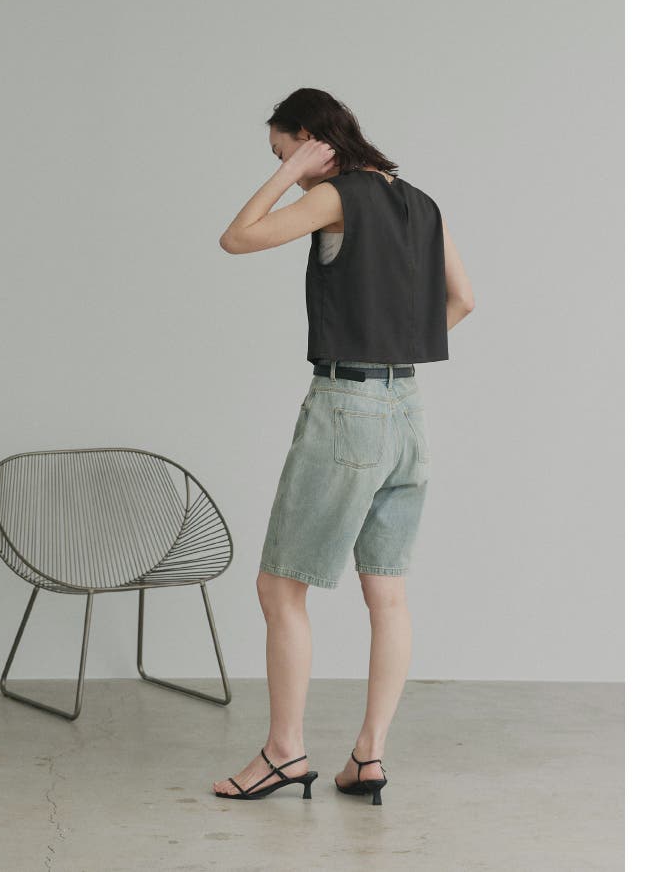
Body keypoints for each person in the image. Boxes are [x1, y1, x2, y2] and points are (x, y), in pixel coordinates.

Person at [212, 88, 475, 803]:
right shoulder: (422, 202)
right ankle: (369, 757)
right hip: (408, 411)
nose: (289, 170)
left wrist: (287, 173)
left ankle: (283, 753)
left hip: (347, 407)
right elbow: (463, 300)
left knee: (279, 587)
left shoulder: (336, 196)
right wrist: (395, 349)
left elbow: (238, 237)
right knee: (386, 592)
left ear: (308, 138)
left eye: (283, 149)